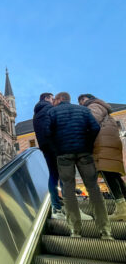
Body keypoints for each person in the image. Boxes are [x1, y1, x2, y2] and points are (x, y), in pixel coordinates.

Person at [46, 92, 112, 239]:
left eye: (55, 100)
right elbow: (95, 127)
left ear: (59, 99)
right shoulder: (83, 110)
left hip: (64, 155)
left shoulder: (52, 112)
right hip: (84, 153)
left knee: (68, 192)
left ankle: (75, 230)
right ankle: (105, 230)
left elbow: (47, 133)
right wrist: (87, 145)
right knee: (94, 189)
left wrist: (57, 149)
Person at [78, 94, 126, 220]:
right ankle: (123, 206)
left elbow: (92, 121)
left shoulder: (93, 106)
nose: (81, 103)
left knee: (108, 174)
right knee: (114, 175)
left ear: (88, 98)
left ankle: (121, 209)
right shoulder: (102, 106)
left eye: (82, 100)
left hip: (102, 143)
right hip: (109, 142)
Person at [33, 93, 65, 219]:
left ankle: (56, 207)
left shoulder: (36, 113)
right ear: (46, 98)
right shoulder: (49, 109)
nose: (53, 101)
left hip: (45, 147)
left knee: (53, 176)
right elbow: (52, 127)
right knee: (64, 175)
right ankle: (68, 206)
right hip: (55, 146)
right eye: (52, 98)